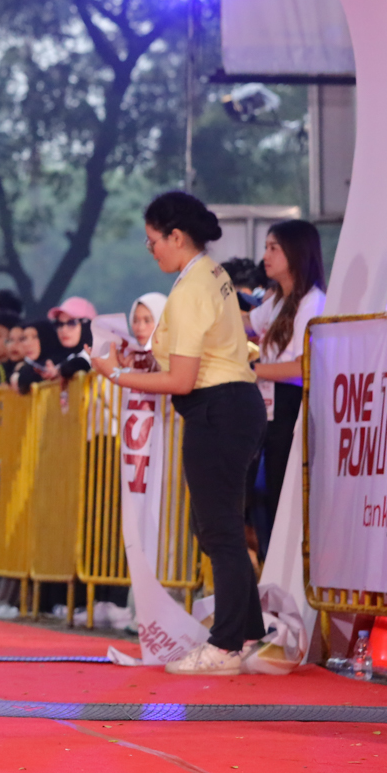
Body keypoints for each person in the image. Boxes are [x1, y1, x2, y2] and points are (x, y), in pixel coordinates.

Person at [91, 191, 270, 677]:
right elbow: (186, 364)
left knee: (219, 530)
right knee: (216, 527)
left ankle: (226, 645)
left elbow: (182, 380)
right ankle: (247, 633)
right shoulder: (208, 274)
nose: (151, 250)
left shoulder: (191, 288)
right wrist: (138, 363)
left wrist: (116, 374)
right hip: (232, 406)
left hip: (218, 409)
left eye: (153, 240)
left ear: (175, 236)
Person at [247, 219, 327, 555]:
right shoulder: (280, 300)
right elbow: (246, 324)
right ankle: (270, 566)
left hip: (291, 408)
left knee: (280, 495)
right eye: (266, 247)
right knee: (261, 496)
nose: (265, 256)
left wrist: (252, 370)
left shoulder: (312, 302)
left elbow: (302, 368)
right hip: (269, 409)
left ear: (296, 252)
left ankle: (285, 569)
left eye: (273, 248)